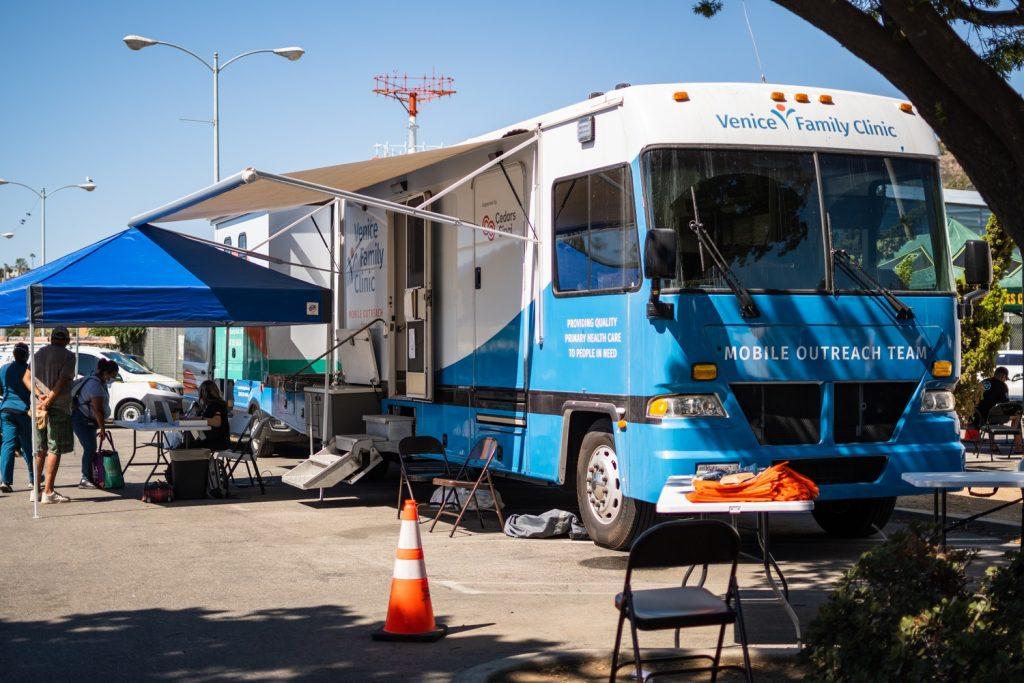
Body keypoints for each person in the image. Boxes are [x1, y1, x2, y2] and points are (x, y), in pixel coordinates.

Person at [31, 327, 76, 503]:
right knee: (54, 449)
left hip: (38, 408)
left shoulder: (39, 354)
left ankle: (36, 490)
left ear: (50, 338)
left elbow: (26, 378)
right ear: (66, 340)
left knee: (40, 449)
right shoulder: (68, 356)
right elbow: (62, 380)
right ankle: (48, 491)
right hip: (57, 407)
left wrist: (38, 394)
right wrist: (49, 400)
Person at [71, 358, 119, 489]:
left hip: (87, 420)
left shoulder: (98, 381)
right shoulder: (95, 385)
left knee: (91, 448)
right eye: (113, 376)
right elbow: (98, 410)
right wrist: (103, 428)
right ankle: (85, 478)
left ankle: (90, 476)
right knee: (90, 448)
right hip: (82, 420)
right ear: (106, 373)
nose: (113, 378)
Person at [0, 343, 33, 493]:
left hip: (6, 410)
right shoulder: (28, 370)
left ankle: (5, 481)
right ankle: (34, 479)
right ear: (26, 355)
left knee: (7, 444)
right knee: (28, 445)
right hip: (23, 412)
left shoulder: (4, 369)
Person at [977, 366, 1022, 450]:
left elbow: (975, 399)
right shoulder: (1002, 386)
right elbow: (1005, 405)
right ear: (1003, 376)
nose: (1005, 380)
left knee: (991, 412)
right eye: (1005, 378)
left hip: (979, 418)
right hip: (993, 418)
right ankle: (1018, 446)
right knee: (1018, 413)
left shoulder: (983, 382)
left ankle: (993, 445)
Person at [189, 380, 231, 452]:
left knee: (186, 445)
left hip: (216, 441)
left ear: (204, 393)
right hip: (219, 439)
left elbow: (217, 422)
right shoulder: (217, 404)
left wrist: (200, 418)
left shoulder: (215, 405)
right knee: (190, 436)